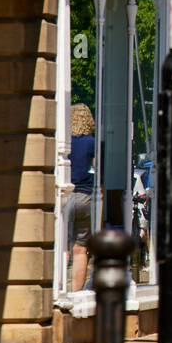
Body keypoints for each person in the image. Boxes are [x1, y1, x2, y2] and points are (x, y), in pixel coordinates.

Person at [66, 104, 96, 292]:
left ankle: (59, 288)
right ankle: (77, 293)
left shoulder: (64, 142)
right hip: (85, 197)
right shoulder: (91, 143)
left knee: (63, 246)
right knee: (80, 248)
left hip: (65, 195)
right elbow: (98, 168)